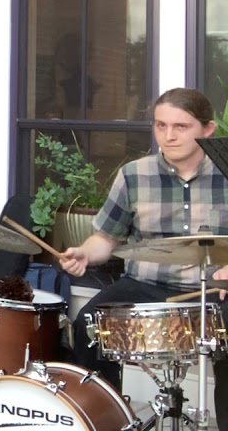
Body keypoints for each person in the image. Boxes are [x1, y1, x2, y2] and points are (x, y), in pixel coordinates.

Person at [60, 88, 228, 430]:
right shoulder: (133, 175)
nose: (169, 135)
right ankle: (106, 420)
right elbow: (106, 238)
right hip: (145, 284)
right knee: (88, 325)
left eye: (181, 126)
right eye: (160, 125)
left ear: (208, 129)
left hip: (215, 289)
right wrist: (84, 253)